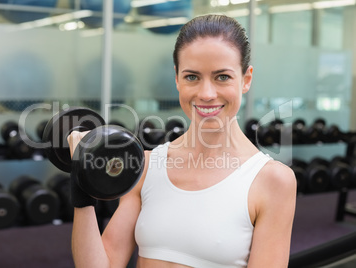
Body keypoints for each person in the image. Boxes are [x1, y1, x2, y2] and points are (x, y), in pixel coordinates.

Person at [68, 14, 297, 268]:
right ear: (176, 77)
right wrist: (82, 183)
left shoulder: (273, 181)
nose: (207, 93)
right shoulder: (145, 166)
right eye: (192, 77)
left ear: (246, 79)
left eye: (222, 77)